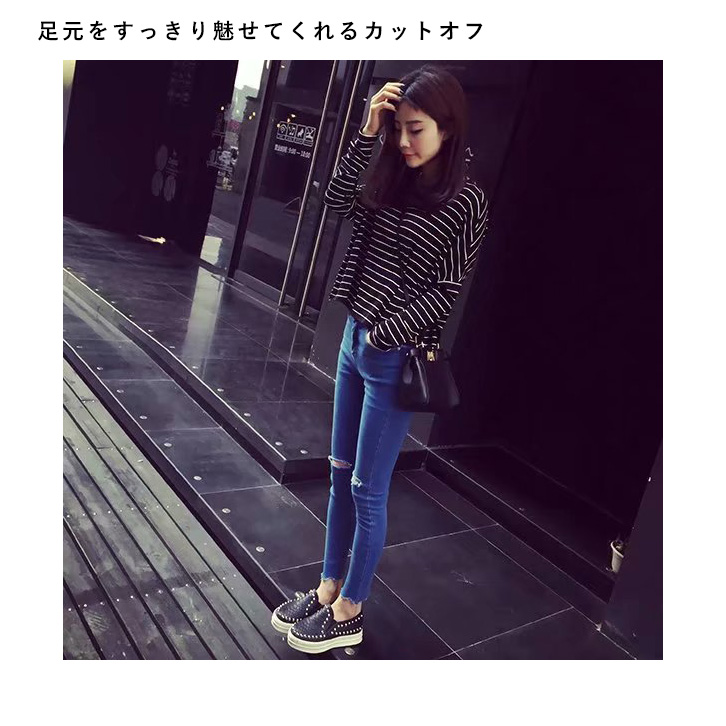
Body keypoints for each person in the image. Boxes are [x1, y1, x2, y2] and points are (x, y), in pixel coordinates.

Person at [271, 64, 489, 654]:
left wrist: (385, 334)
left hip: (393, 356)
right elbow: (334, 201)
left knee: (368, 487)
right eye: (399, 128)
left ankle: (351, 607)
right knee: (339, 472)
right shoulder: (389, 171)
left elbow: (446, 290)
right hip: (353, 339)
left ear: (448, 128)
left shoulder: (467, 201)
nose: (405, 141)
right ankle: (327, 587)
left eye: (416, 130)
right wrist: (368, 131)